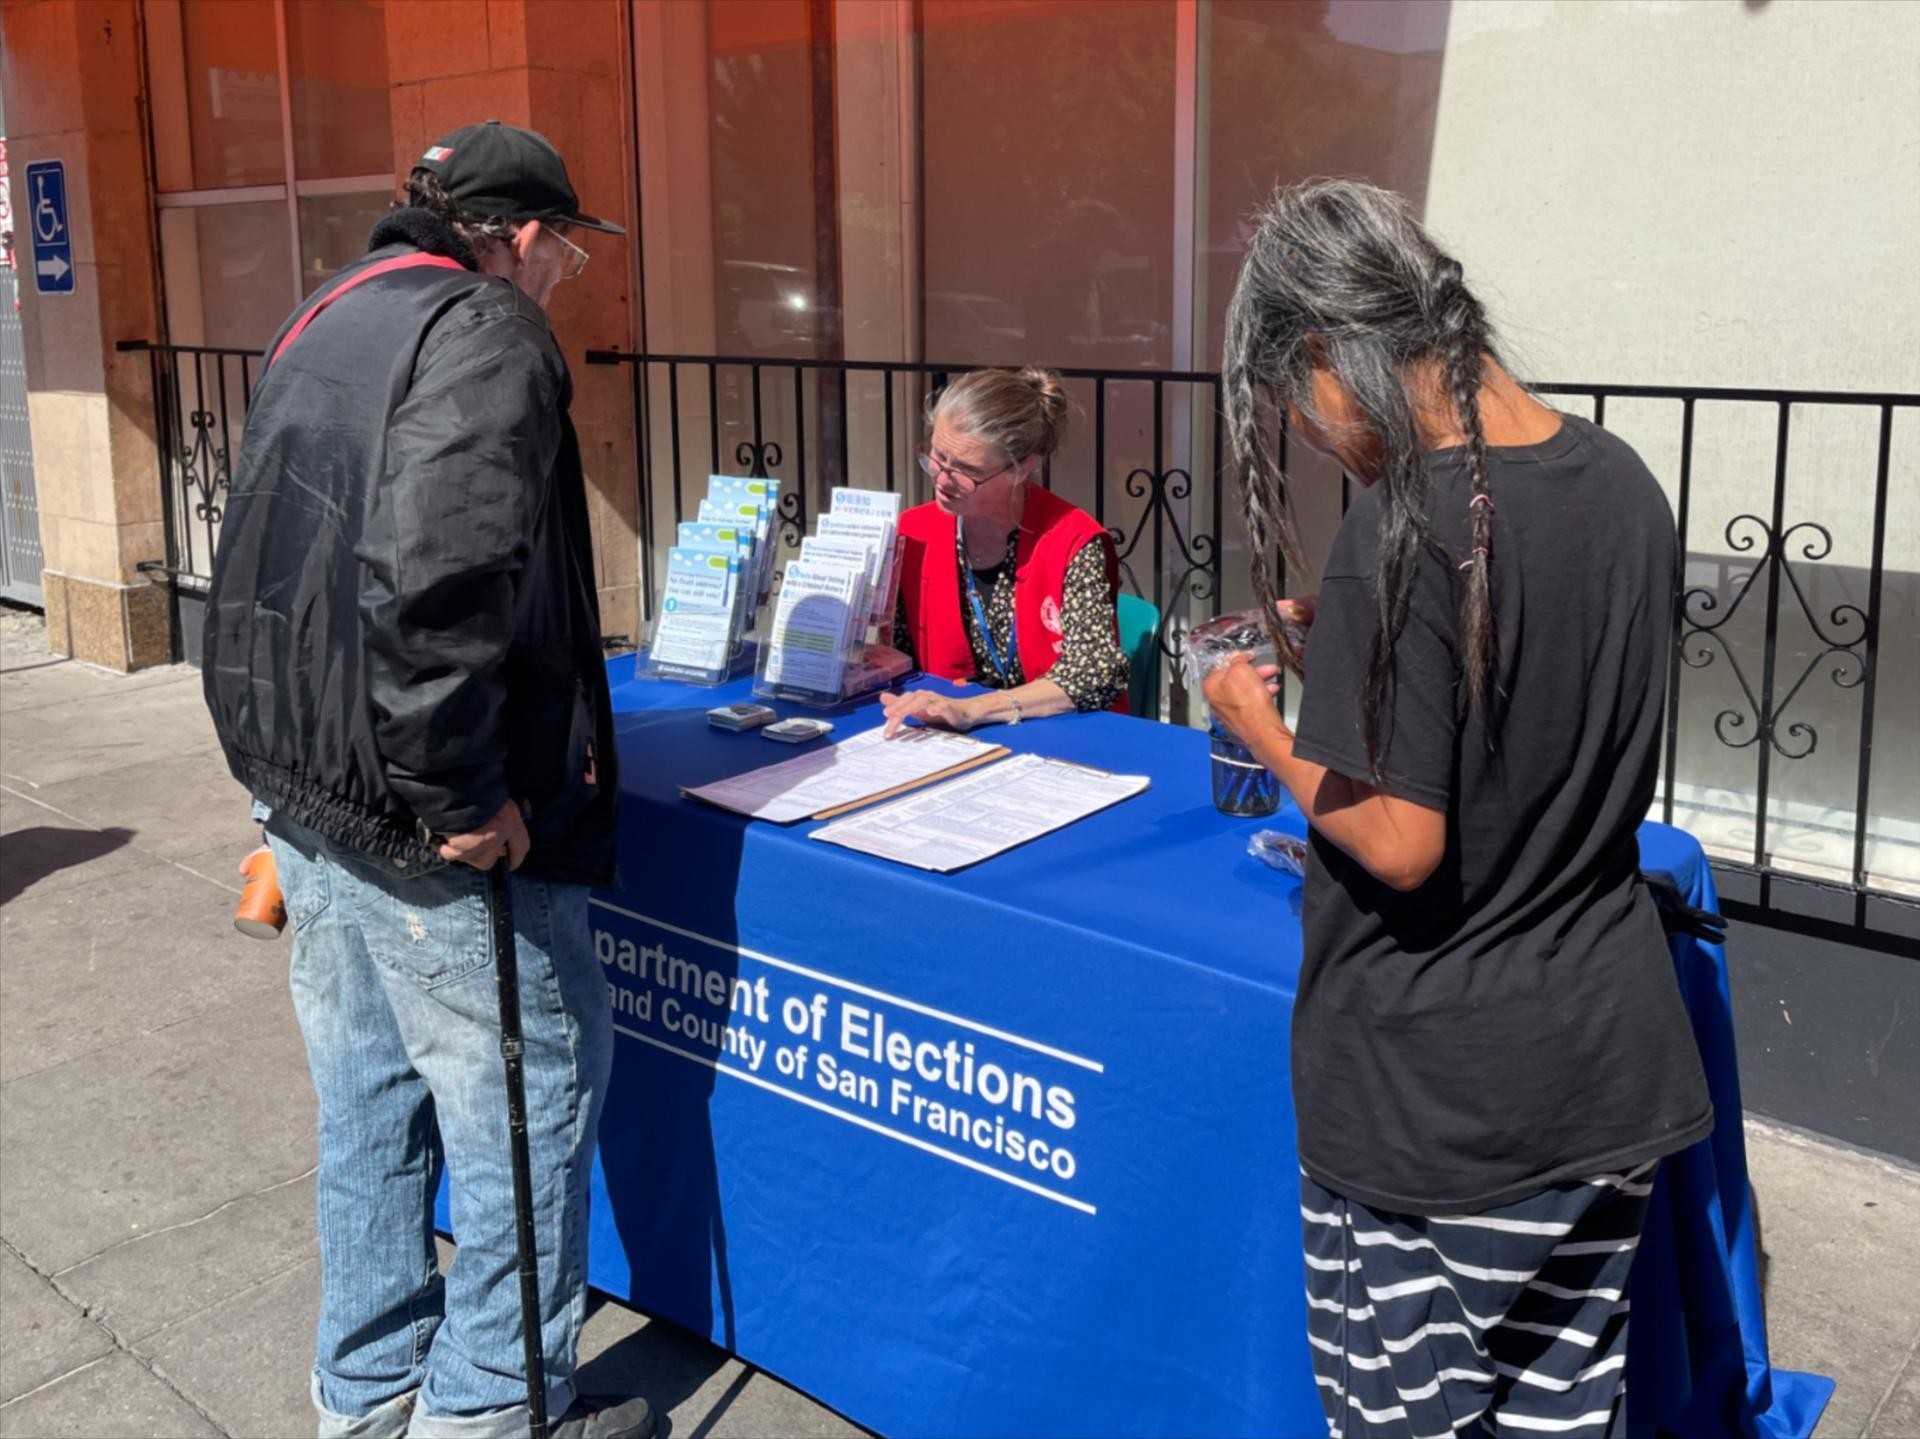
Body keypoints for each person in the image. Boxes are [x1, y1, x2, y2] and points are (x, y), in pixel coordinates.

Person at [1202, 179, 1712, 1439]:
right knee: (1562, 1408)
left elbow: (1402, 836)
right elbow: (1517, 712)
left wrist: (1261, 725)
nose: (1319, 441)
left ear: (1328, 352)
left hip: (1438, 1103)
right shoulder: (1622, 480)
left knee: (1406, 1418)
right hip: (1601, 1069)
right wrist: (1359, 665)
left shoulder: (1401, 528)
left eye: (1301, 413)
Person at [202, 122, 654, 1439]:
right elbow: (437, 573)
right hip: (416, 823)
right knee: (526, 1113)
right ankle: (491, 1412)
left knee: (368, 1104)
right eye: (565, 245)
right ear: (518, 232)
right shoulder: (487, 331)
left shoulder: (330, 309)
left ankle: (370, 1385)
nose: (568, 270)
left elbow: (270, 547)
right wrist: (463, 791)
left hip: (306, 785)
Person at [883, 367, 1129, 736]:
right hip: (946, 742)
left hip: (1062, 739)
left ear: (1022, 468)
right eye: (936, 456)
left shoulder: (1072, 541)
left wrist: (974, 709)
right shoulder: (912, 532)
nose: (942, 479)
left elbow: (1093, 673)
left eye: (966, 470)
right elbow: (901, 661)